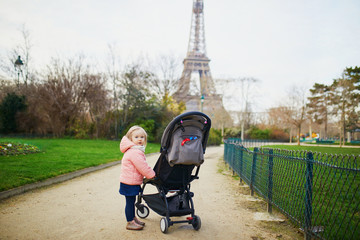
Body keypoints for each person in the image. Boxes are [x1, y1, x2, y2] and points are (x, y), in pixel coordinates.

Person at [119, 126, 156, 231]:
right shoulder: (134, 152)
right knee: (130, 202)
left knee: (131, 201)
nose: (140, 139)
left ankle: (133, 218)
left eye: (142, 137)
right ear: (131, 139)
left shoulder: (135, 150)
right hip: (129, 182)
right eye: (136, 137)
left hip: (130, 181)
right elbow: (142, 167)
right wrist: (152, 175)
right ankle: (130, 222)